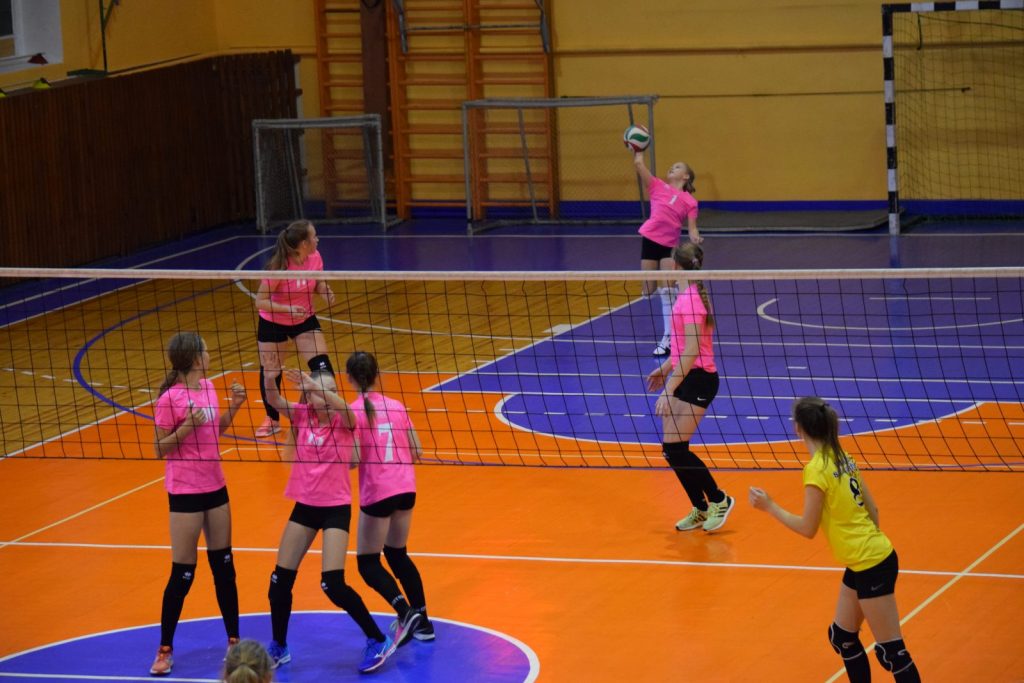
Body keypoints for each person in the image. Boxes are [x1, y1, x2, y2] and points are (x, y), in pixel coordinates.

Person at [749, 398, 921, 683]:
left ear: (798, 428)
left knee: (894, 653)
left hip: (870, 564)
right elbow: (874, 511)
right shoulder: (843, 456)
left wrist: (770, 507)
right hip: (868, 559)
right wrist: (863, 545)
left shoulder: (816, 469)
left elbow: (808, 528)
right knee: (842, 637)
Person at [262, 367, 406, 674]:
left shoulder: (345, 420)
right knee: (279, 582)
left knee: (333, 584)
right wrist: (270, 375)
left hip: (335, 509)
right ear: (309, 397)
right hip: (305, 507)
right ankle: (279, 647)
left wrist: (317, 388)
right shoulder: (303, 415)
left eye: (330, 391)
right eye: (318, 392)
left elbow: (345, 409)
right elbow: (273, 399)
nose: (325, 397)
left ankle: (377, 639)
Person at [150, 332, 247, 676]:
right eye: (205, 351)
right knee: (183, 574)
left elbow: (214, 431)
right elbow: (159, 448)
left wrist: (235, 406)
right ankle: (164, 650)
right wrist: (187, 426)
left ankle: (234, 642)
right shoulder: (169, 399)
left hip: (215, 486)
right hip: (185, 491)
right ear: (194, 359)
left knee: (225, 568)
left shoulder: (208, 387)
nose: (209, 355)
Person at [347, 351, 435, 645]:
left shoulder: (352, 411)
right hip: (406, 488)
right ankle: (423, 621)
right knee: (397, 555)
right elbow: (418, 450)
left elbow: (353, 460)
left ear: (349, 379)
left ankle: (406, 613)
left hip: (378, 491)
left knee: (367, 563)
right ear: (378, 375)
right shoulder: (396, 406)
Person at [645, 243, 734, 533]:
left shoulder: (692, 300)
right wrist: (665, 368)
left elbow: (693, 350)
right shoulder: (685, 297)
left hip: (700, 379)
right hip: (686, 375)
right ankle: (701, 507)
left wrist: (669, 389)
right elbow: (682, 348)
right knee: (672, 450)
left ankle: (719, 499)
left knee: (675, 448)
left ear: (674, 266)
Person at [254, 219, 336, 438]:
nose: (317, 239)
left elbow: (317, 282)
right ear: (303, 243)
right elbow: (260, 301)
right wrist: (287, 309)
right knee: (271, 370)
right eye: (314, 236)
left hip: (304, 319)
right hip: (273, 321)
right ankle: (272, 419)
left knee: (323, 366)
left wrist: (324, 290)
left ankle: (326, 412)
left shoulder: (315, 257)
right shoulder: (278, 267)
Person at [632, 149, 702, 356]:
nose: (672, 167)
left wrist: (695, 237)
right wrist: (638, 151)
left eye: (678, 166)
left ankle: (669, 339)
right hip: (649, 241)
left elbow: (692, 227)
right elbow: (639, 166)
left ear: (686, 176)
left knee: (667, 292)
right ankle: (672, 309)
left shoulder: (690, 201)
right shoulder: (657, 186)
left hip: (669, 246)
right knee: (647, 291)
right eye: (672, 166)